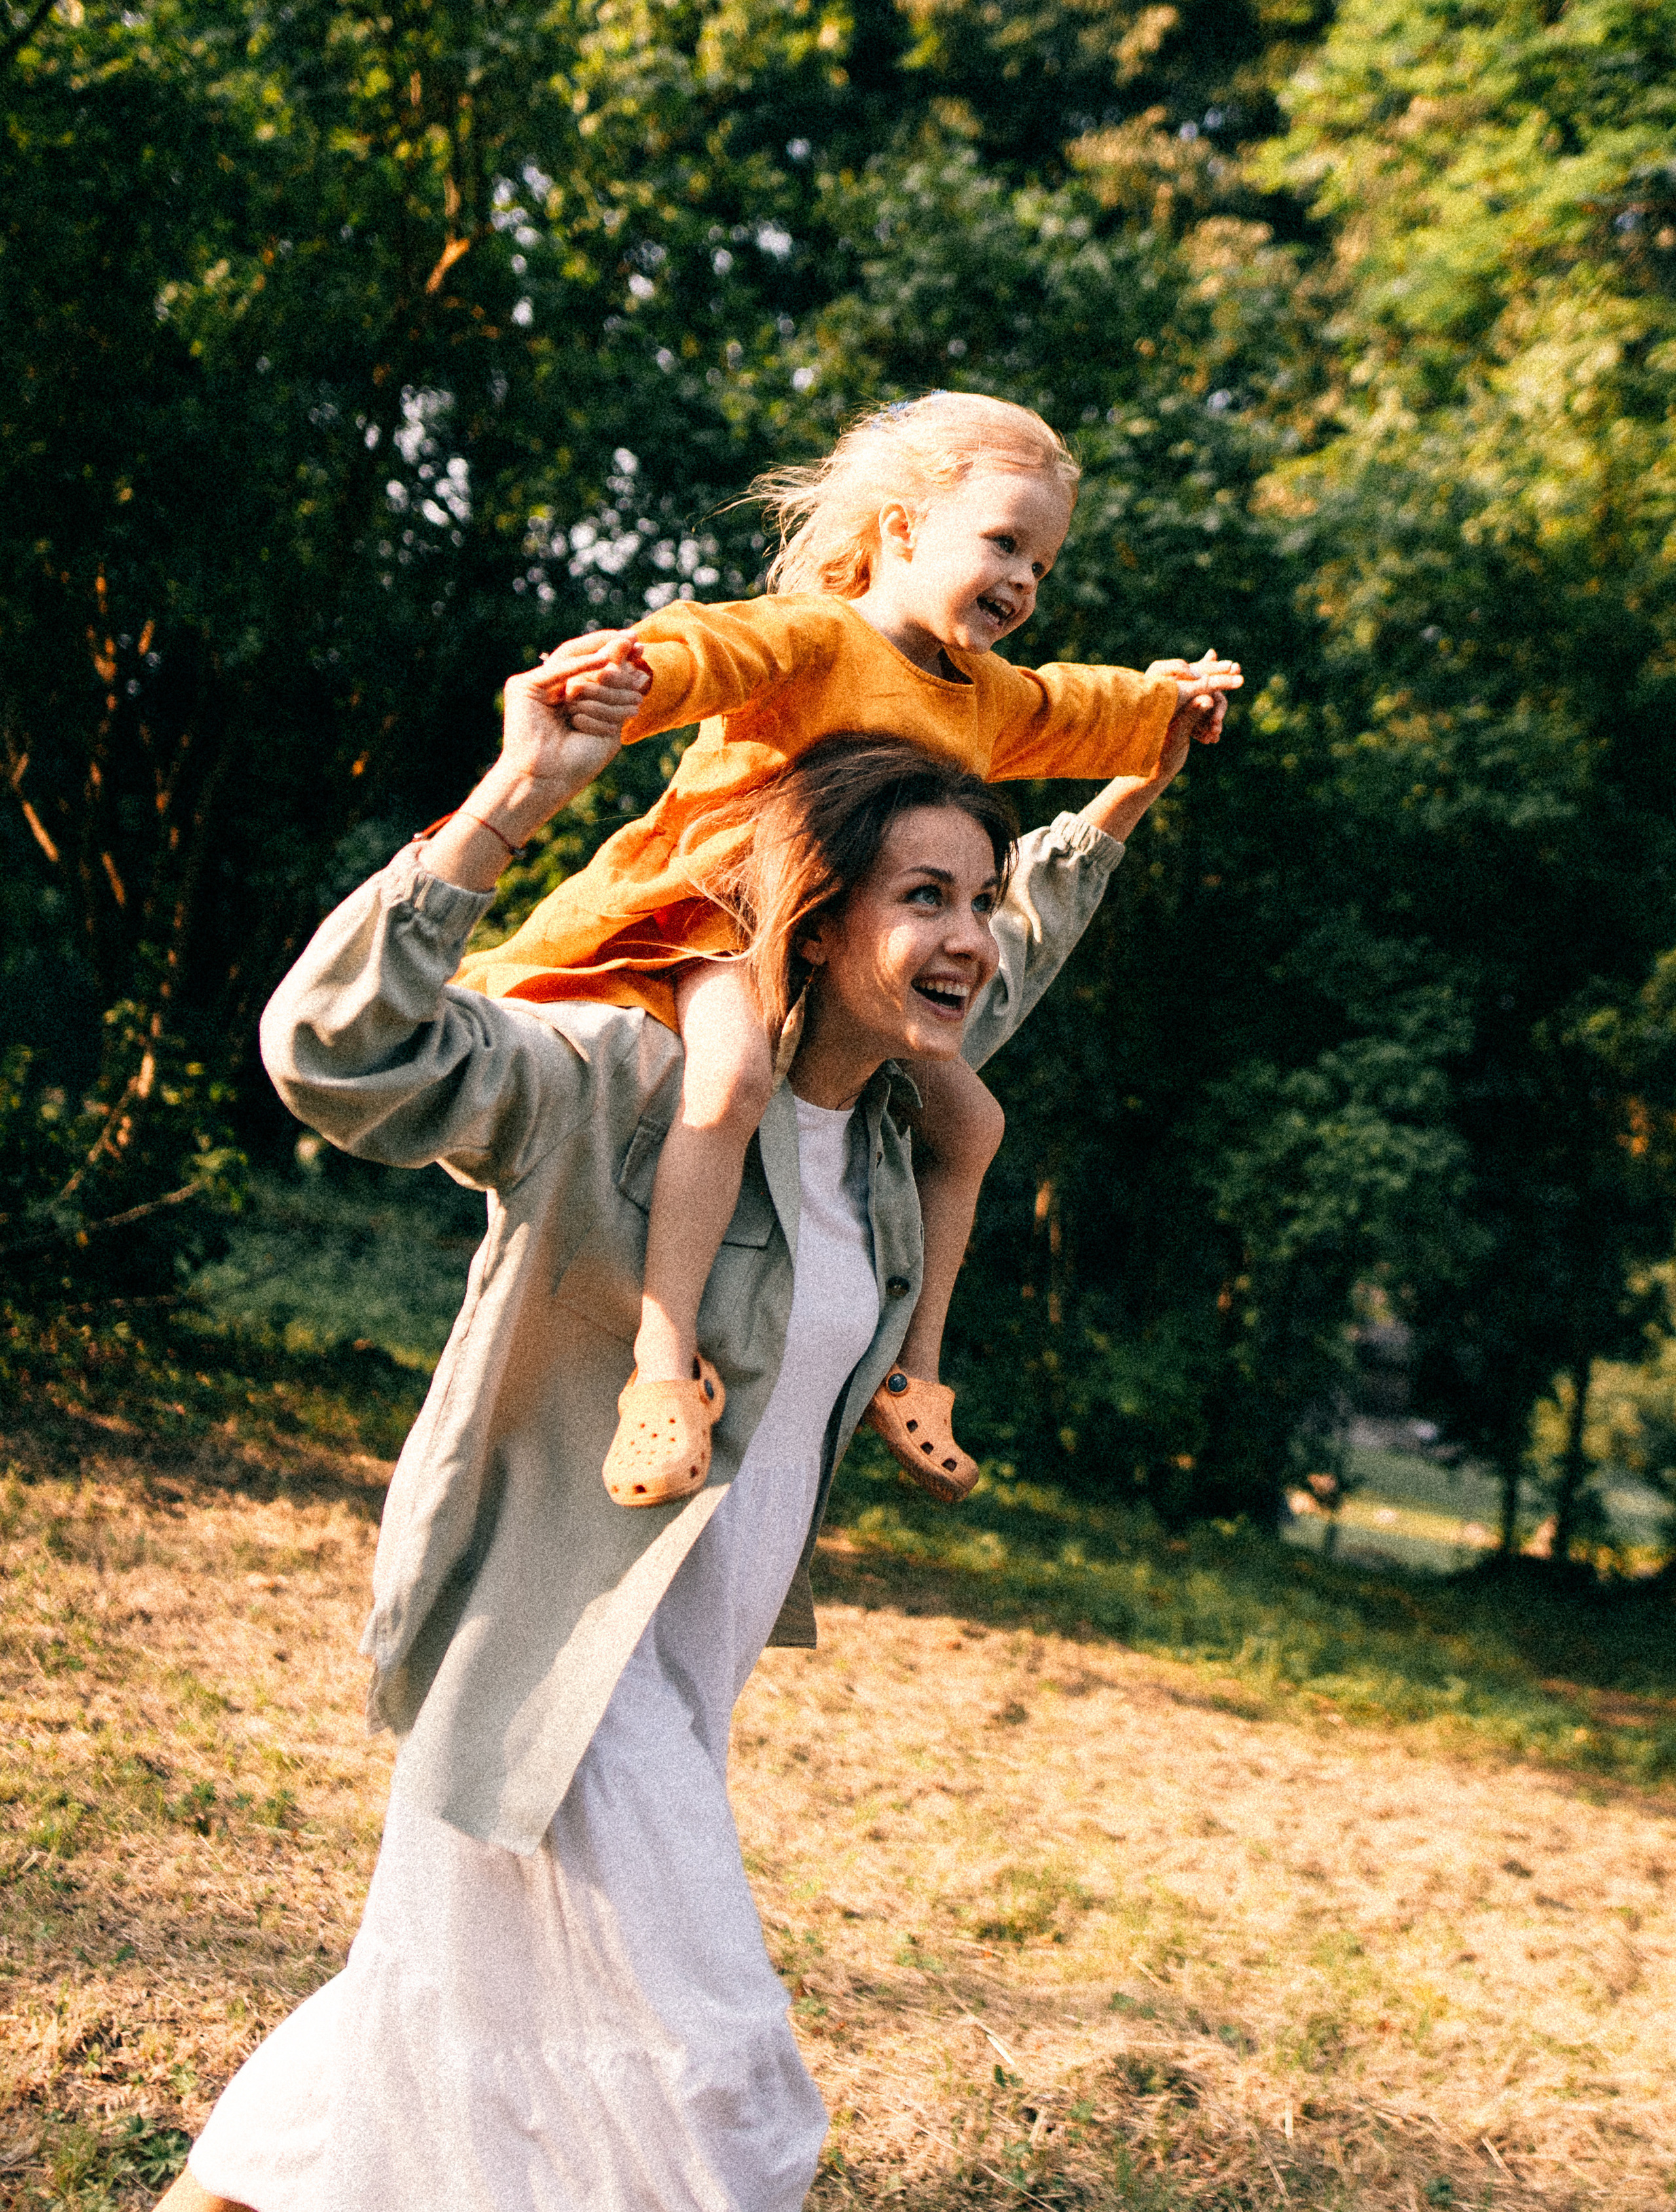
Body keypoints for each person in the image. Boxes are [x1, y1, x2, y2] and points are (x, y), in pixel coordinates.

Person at [157, 626, 1222, 2212]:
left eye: (975, 900)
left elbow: (1034, 931)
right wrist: (516, 796)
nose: (968, 937)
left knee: (432, 2031)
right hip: (556, 1665)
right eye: (922, 896)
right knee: (724, 2080)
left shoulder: (878, 1119)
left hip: (677, 1680)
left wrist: (1135, 776)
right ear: (817, 910)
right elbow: (338, 1053)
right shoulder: (617, 1084)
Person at [454, 391, 1241, 1510]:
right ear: (902, 531)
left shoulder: (983, 698)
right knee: (725, 1084)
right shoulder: (820, 642)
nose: (1023, 582)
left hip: (858, 957)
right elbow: (716, 645)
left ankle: (913, 1372)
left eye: (1043, 566)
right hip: (730, 916)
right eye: (1004, 543)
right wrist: (637, 675)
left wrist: (1166, 705)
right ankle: (662, 1369)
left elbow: (1074, 709)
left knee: (973, 1121)